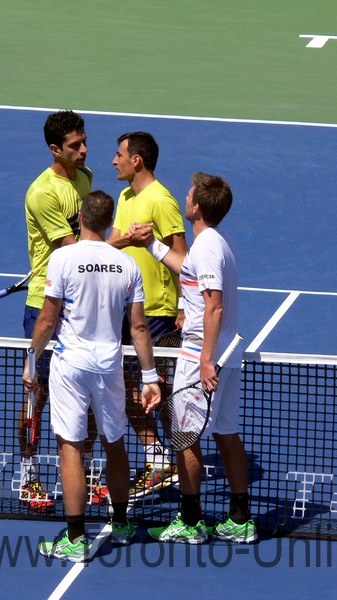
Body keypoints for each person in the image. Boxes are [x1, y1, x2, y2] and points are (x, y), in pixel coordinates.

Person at [24, 190, 162, 563]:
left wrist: (31, 359)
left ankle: (74, 537)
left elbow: (48, 319)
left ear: (81, 217)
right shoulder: (128, 265)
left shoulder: (62, 259)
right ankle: (120, 523)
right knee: (114, 443)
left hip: (70, 366)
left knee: (70, 446)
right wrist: (150, 376)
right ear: (110, 220)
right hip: (108, 366)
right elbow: (138, 329)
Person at [143, 172, 258, 544]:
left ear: (195, 207)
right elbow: (188, 272)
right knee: (225, 433)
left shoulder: (206, 245)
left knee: (184, 435)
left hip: (202, 353)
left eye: (188, 193)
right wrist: (153, 247)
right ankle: (240, 519)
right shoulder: (215, 241)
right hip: (227, 352)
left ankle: (191, 521)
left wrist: (205, 359)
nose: (185, 195)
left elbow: (214, 307)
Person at [21, 109, 103, 511]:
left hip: (79, 303)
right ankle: (29, 476)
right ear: (55, 149)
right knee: (37, 395)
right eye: (75, 146)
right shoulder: (42, 192)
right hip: (45, 303)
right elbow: (74, 249)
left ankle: (83, 476)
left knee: (85, 394)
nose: (85, 150)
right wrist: (117, 248)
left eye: (84, 141)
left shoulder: (85, 179)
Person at [108, 132, 187, 499]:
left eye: (120, 155)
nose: (114, 161)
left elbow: (184, 258)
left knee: (161, 393)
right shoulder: (124, 198)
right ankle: (158, 459)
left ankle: (183, 459)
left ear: (136, 160)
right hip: (123, 309)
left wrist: (185, 305)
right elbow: (113, 245)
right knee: (124, 390)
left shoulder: (162, 199)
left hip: (156, 312)